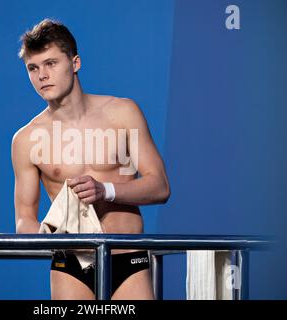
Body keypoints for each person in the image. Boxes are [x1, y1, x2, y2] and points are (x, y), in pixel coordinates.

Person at [11, 18, 170, 300]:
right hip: (71, 263)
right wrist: (41, 235)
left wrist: (106, 190)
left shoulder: (122, 113)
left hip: (128, 257)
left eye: (51, 63)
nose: (42, 75)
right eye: (33, 68)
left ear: (75, 63)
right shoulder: (25, 140)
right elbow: (24, 219)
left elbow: (159, 186)